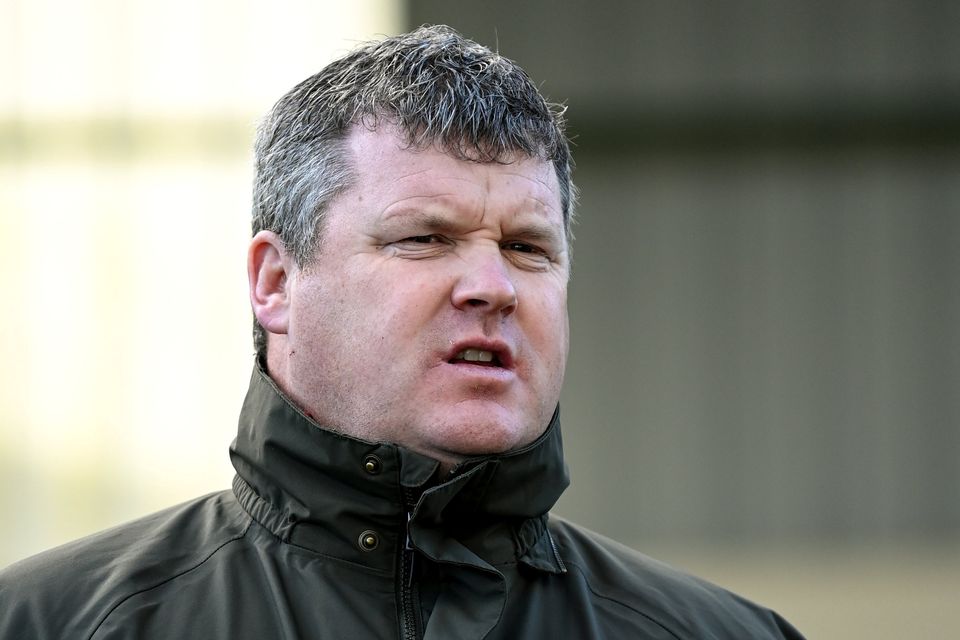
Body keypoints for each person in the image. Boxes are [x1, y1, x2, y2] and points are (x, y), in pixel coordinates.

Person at [0, 25, 804, 639]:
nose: (492, 287)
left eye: (528, 248)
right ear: (275, 284)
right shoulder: (50, 623)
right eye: (424, 238)